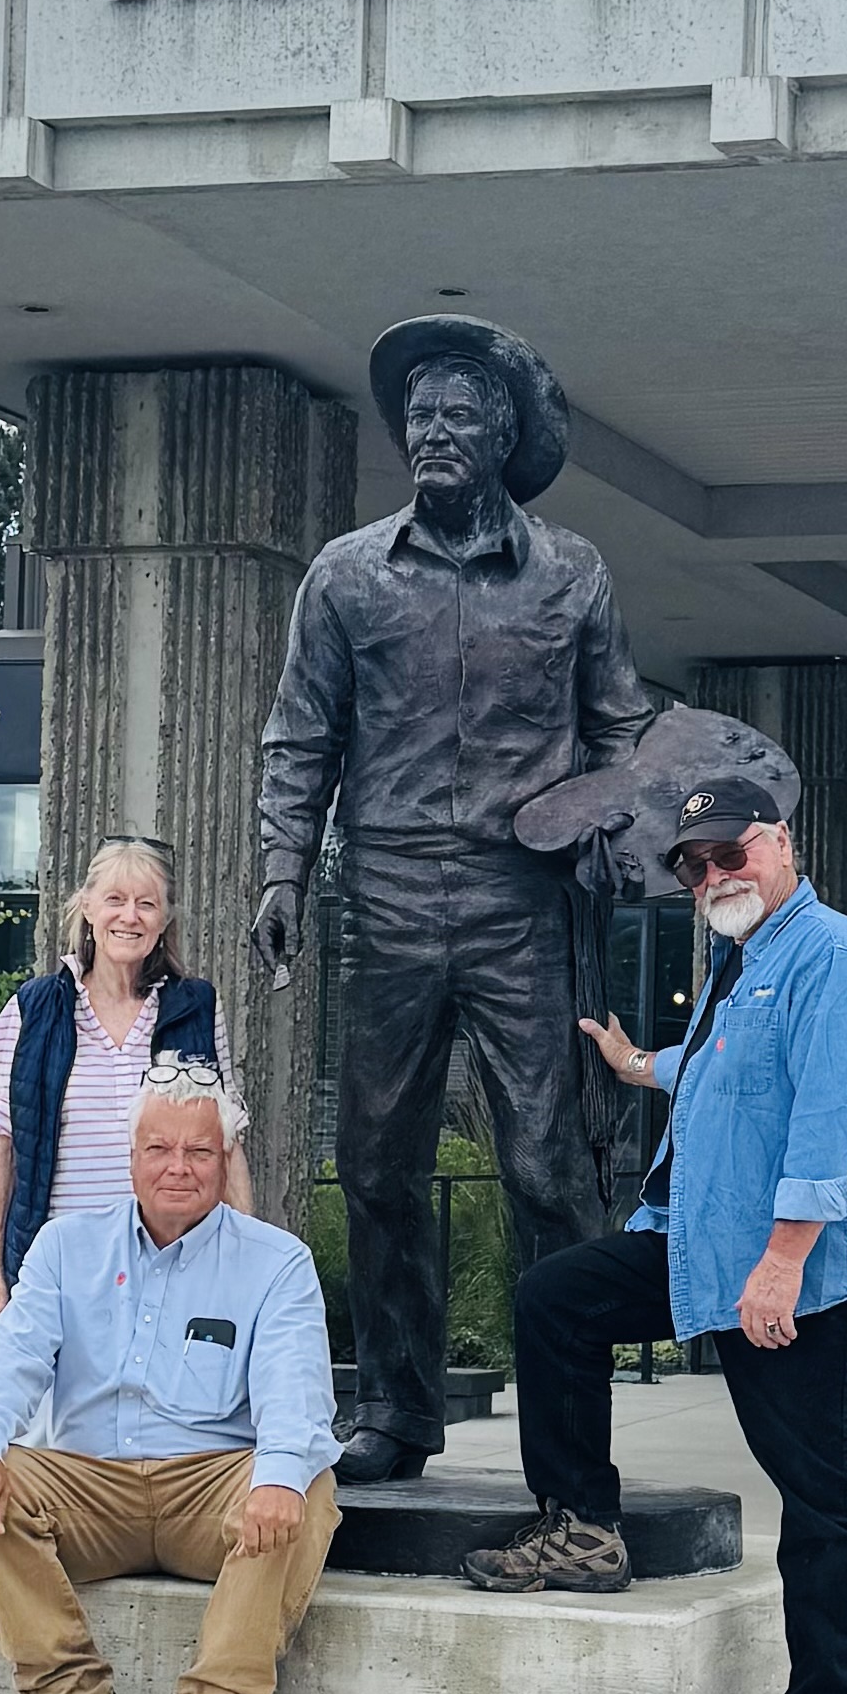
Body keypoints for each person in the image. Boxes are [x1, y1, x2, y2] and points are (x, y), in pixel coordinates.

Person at [251, 313, 656, 1485]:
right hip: (380, 896)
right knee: (375, 1164)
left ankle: (566, 1437)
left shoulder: (571, 573)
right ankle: (394, 1406)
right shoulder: (344, 574)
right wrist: (284, 868)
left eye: (457, 414)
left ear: (502, 435)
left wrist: (606, 828)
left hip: (519, 903)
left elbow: (621, 730)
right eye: (418, 414)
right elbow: (299, 738)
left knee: (545, 1172)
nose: (431, 432)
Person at [461, 775, 847, 1694]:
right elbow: (726, 1069)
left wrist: (785, 1260)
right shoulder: (736, 959)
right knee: (557, 1299)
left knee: (823, 1495)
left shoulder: (836, 956)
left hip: (810, 1280)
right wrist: (641, 1065)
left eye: (730, 853)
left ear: (780, 843)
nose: (714, 874)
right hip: (701, 1250)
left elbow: (832, 1119)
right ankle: (582, 1524)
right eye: (695, 863)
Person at [0, 1053, 341, 1694]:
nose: (177, 1167)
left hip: (209, 1491)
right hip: (91, 1487)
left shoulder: (277, 1261)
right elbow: (16, 1357)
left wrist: (279, 1475)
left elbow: (295, 1393)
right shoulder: (65, 1246)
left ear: (224, 1160)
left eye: (198, 1150)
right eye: (158, 1148)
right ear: (130, 1157)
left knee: (304, 1484)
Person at [0, 838, 248, 1694]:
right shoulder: (30, 1010)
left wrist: (251, 1256)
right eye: (115, 898)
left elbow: (223, 1139)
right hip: (57, 1261)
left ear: (165, 918)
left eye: (148, 902)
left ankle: (62, 1648)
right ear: (86, 907)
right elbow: (5, 1144)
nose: (131, 915)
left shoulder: (191, 1010)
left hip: (166, 1256)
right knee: (9, 1447)